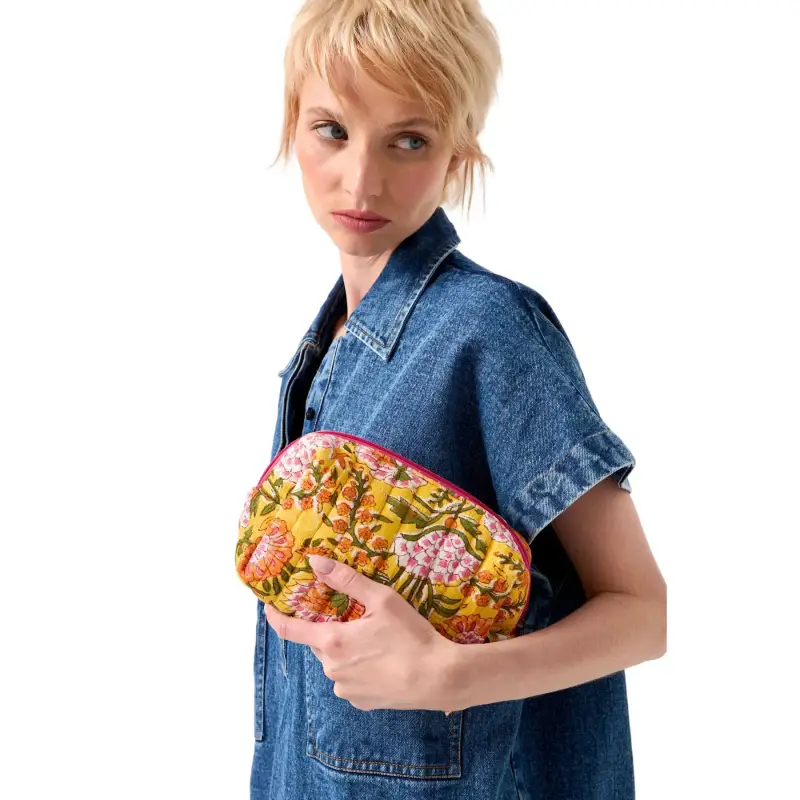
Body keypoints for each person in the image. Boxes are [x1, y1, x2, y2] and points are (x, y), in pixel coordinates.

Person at [249, 1, 667, 798]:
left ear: (458, 152)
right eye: (332, 130)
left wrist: (452, 676)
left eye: (409, 140)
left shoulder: (491, 331)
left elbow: (644, 613)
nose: (361, 180)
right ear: (291, 126)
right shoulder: (324, 348)